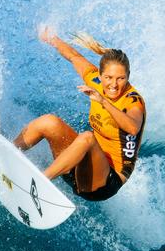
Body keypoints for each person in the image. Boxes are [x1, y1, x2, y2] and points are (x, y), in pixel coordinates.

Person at [14, 26, 146, 201]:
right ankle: (10, 151)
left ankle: (40, 183)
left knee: (87, 137)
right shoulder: (95, 80)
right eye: (108, 77)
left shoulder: (133, 101)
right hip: (78, 168)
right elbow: (74, 57)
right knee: (49, 122)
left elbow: (133, 128)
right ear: (100, 74)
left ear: (128, 76)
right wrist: (51, 38)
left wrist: (103, 101)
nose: (114, 84)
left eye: (121, 78)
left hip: (105, 183)